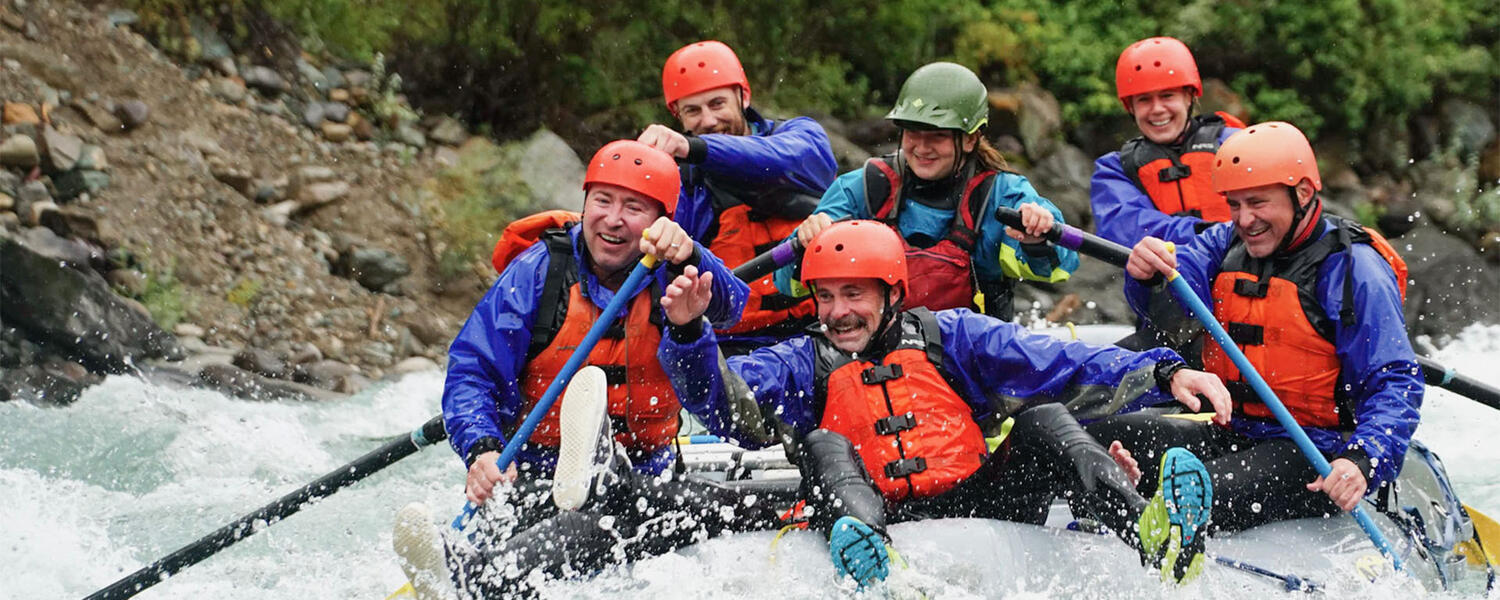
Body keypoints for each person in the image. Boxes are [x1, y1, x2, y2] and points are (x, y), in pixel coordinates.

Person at [660, 220, 1235, 586]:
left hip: (981, 498)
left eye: (854, 294)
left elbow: (1059, 360)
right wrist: (689, 335)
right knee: (820, 442)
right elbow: (725, 404)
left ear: (893, 294)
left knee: (1043, 419)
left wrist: (1164, 370)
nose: (838, 312)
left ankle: (1152, 531)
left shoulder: (951, 335)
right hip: (880, 515)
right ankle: (878, 565)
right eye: (826, 296)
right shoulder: (803, 359)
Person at [395, 140, 770, 598]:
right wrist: (483, 449)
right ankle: (475, 576)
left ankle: (470, 578)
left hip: (644, 476)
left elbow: (733, 308)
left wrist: (692, 267)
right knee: (581, 518)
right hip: (532, 474)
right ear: (585, 203)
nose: (613, 219)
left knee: (625, 507)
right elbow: (474, 371)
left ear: (662, 221)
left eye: (634, 207)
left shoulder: (675, 274)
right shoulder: (538, 273)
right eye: (603, 201)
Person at [1092, 121, 1423, 535]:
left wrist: (1362, 459)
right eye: (1234, 205)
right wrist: (1146, 277)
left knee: (1192, 495)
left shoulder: (1355, 271)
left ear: (1302, 194)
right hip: (1233, 429)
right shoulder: (1223, 243)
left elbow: (1396, 379)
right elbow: (1169, 312)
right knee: (1093, 438)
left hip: (1312, 451)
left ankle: (1151, 529)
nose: (1245, 220)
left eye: (1258, 203)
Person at [782, 62, 1077, 321]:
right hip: (876, 359)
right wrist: (806, 243)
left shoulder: (1002, 196)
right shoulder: (864, 188)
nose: (922, 148)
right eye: (912, 134)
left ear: (971, 139)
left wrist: (1037, 238)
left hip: (969, 360)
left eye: (937, 136)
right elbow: (786, 282)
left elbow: (1059, 267)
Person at [638, 40, 838, 353]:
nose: (707, 121)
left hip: (824, 331)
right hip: (735, 345)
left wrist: (694, 148)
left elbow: (780, 160)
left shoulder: (801, 137)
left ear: (743, 96)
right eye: (693, 110)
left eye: (717, 104)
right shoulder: (684, 184)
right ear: (678, 116)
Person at [1090, 36, 1244, 248]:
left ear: (1189, 97)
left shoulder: (1236, 144)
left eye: (1167, 96)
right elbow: (1126, 228)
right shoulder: (1114, 169)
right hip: (1167, 278)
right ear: (1131, 107)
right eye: (1144, 99)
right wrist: (1212, 234)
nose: (1157, 109)